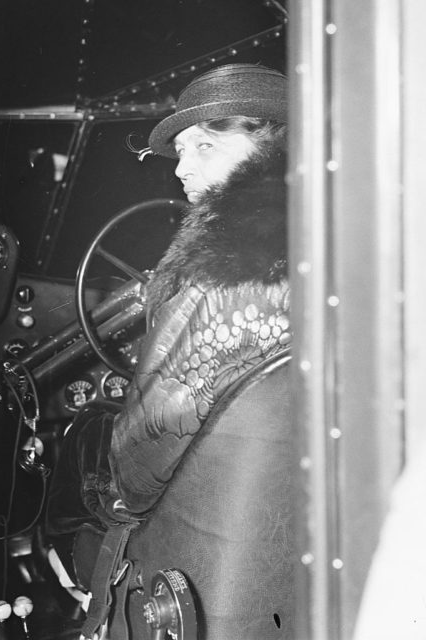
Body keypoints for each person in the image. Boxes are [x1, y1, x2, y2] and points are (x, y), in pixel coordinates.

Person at [46, 61, 289, 604]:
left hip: (203, 539)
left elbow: (138, 469)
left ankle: (67, 591)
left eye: (204, 145)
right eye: (180, 151)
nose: (180, 169)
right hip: (284, 519)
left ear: (271, 143)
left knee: (81, 443)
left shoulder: (220, 279)